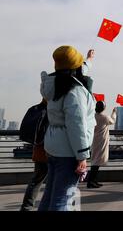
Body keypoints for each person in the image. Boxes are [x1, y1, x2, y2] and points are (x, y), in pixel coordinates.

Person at [38, 46, 96, 211]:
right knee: (62, 200)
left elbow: (77, 68)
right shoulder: (75, 91)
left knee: (49, 196)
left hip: (53, 147)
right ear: (74, 67)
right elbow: (76, 125)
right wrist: (82, 156)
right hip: (69, 151)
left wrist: (89, 59)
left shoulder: (55, 85)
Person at [20, 99, 49, 211]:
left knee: (36, 181)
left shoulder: (35, 109)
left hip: (39, 150)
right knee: (54, 183)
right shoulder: (53, 111)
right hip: (53, 151)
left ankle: (26, 207)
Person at [86, 101, 117, 188]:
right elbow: (113, 121)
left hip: (94, 140)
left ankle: (93, 180)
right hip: (101, 141)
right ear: (103, 108)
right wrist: (114, 112)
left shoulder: (92, 116)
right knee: (96, 162)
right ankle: (91, 181)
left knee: (95, 160)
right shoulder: (105, 117)